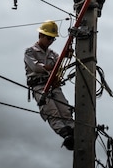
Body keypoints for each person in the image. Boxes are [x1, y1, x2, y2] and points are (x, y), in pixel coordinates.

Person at [24, 20, 75, 150]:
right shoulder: (30, 51)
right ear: (40, 35)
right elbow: (36, 67)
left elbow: (61, 62)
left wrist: (68, 54)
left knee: (65, 110)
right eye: (48, 38)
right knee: (52, 111)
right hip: (40, 86)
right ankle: (65, 134)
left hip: (54, 86)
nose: (50, 41)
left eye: (53, 39)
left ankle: (75, 131)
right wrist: (53, 67)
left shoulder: (53, 54)